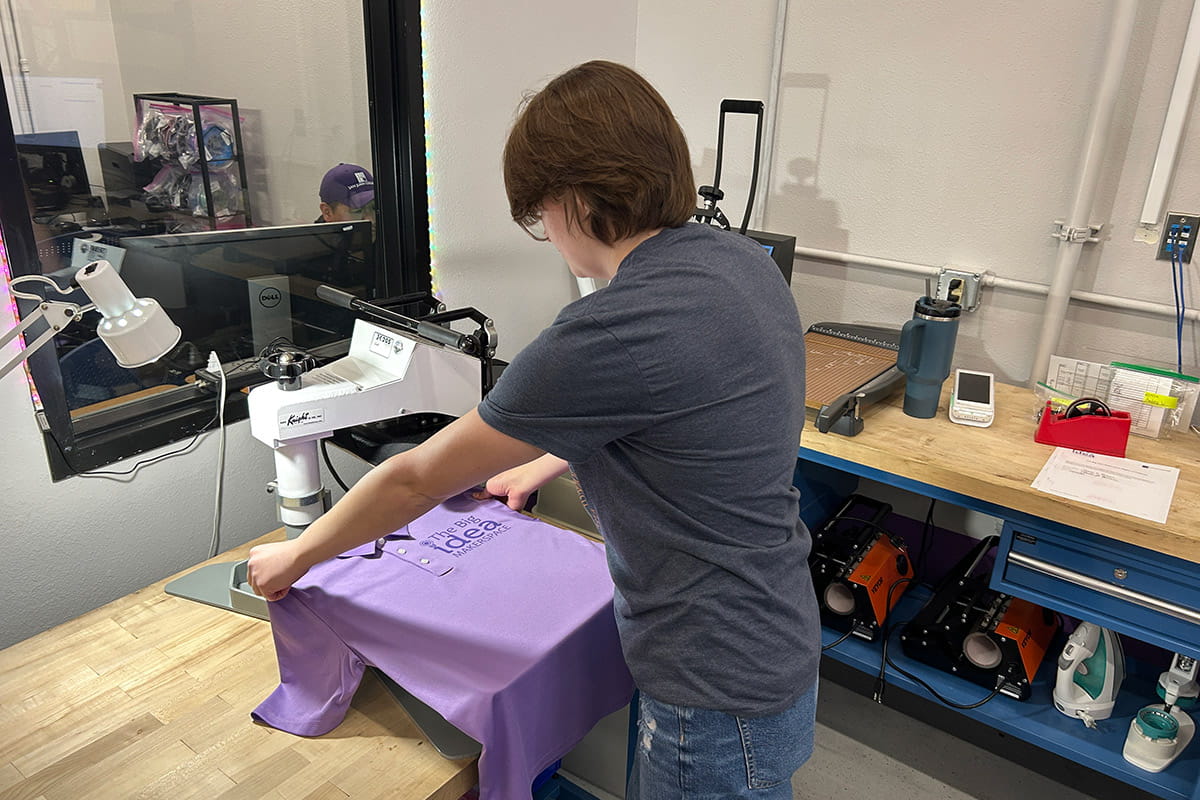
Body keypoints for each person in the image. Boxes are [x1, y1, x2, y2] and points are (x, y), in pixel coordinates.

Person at [248, 60, 819, 800]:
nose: (547, 235)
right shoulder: (742, 263)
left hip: (708, 683)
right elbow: (686, 411)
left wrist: (294, 558)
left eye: (541, 214)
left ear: (573, 197)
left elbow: (418, 476)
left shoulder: (611, 329)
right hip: (776, 635)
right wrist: (542, 461)